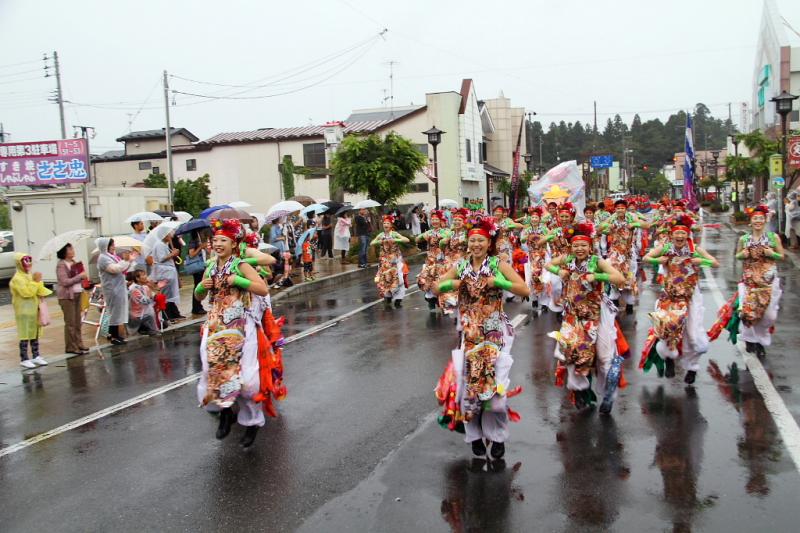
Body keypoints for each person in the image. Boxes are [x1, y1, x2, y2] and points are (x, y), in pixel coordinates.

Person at [433, 216, 530, 459]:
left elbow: (524, 289)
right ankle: (474, 435)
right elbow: (436, 287)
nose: (476, 244)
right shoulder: (461, 266)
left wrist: (498, 282)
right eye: (472, 240)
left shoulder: (498, 264)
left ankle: (497, 437)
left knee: (494, 395)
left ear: (489, 243)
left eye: (481, 240)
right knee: (469, 390)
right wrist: (453, 284)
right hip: (469, 336)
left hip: (495, 337)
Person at [194, 218, 270, 449]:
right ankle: (224, 412)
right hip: (216, 324)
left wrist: (238, 280)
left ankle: (252, 422)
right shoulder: (210, 266)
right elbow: (199, 297)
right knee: (211, 369)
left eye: (223, 240)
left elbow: (263, 288)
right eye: (215, 240)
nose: (218, 244)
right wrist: (201, 287)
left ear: (234, 243)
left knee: (246, 377)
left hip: (241, 325)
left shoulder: (241, 265)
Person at [545, 223, 627, 414]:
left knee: (605, 358)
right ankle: (580, 390)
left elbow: (620, 279)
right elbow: (548, 264)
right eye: (576, 245)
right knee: (572, 352)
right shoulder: (567, 259)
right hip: (572, 316)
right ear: (571, 247)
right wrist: (559, 271)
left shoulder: (597, 261)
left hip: (596, 315)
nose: (579, 249)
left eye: (583, 245)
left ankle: (608, 395)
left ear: (590, 246)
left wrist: (598, 276)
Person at [640, 215, 719, 384]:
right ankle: (668, 357)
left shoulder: (694, 249)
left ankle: (692, 367)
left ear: (688, 234)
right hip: (670, 297)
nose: (680, 236)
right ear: (672, 234)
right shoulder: (666, 248)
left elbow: (715, 263)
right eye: (677, 233)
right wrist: (657, 260)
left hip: (691, 298)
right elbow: (646, 258)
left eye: (683, 233)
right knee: (668, 330)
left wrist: (701, 261)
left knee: (694, 337)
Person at [709, 205, 784, 357]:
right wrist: (742, 255)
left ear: (765, 220)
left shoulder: (773, 237)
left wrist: (772, 254)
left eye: (761, 218)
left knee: (769, 316)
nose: (758, 221)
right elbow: (737, 255)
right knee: (748, 314)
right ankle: (752, 341)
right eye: (755, 218)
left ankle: (761, 338)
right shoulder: (744, 239)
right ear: (751, 221)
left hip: (768, 282)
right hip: (749, 282)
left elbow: (781, 256)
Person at [11, 253, 53, 368]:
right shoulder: (17, 278)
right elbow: (26, 293)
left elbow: (38, 289)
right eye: (25, 261)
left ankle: (36, 355)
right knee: (24, 334)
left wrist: (38, 281)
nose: (28, 264)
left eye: (30, 261)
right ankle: (24, 358)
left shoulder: (29, 275)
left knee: (35, 333)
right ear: (19, 263)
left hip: (34, 309)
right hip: (23, 311)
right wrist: (36, 282)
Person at [96, 238, 131, 345]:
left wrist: (128, 261)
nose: (114, 247)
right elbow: (115, 269)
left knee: (118, 312)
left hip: (118, 287)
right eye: (111, 245)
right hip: (112, 289)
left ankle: (115, 335)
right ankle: (113, 336)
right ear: (105, 246)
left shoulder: (112, 256)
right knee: (114, 312)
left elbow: (122, 268)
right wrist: (125, 261)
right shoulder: (103, 258)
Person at [55, 243, 89, 355]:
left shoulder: (74, 263)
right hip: (67, 297)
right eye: (70, 249)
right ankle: (71, 346)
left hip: (78, 293)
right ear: (64, 252)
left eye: (72, 248)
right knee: (71, 323)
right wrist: (79, 276)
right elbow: (64, 282)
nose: (73, 250)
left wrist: (83, 277)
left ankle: (79, 343)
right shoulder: (61, 265)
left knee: (78, 321)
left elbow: (78, 278)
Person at [416, 210, 451, 313]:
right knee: (428, 280)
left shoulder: (445, 231)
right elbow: (417, 239)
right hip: (431, 260)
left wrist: (442, 237)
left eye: (436, 219)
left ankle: (444, 303)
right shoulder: (429, 232)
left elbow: (450, 236)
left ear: (440, 221)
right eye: (433, 219)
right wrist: (423, 236)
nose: (434, 221)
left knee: (442, 280)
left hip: (443, 260)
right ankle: (431, 301)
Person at [371, 215, 410, 307]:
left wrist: (396, 239)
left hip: (396, 261)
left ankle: (398, 299)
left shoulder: (394, 234)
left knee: (399, 280)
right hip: (385, 262)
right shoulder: (381, 235)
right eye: (384, 223)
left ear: (391, 225)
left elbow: (406, 240)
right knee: (385, 279)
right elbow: (372, 243)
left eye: (388, 223)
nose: (385, 225)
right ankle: (388, 296)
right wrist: (380, 241)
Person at [150, 227, 183, 321]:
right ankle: (168, 315)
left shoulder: (164, 244)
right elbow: (161, 258)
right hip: (164, 273)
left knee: (171, 294)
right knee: (167, 295)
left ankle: (174, 313)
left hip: (168, 272)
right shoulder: (159, 245)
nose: (171, 236)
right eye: (169, 234)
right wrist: (173, 254)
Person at [128, 267, 159, 336]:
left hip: (144, 313)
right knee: (150, 315)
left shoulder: (144, 287)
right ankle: (143, 329)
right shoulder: (133, 289)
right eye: (143, 275)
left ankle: (147, 328)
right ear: (137, 278)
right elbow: (145, 301)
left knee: (164, 324)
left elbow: (154, 297)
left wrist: (156, 288)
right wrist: (151, 289)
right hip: (137, 316)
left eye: (145, 274)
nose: (146, 277)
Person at [187, 231, 208, 316]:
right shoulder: (193, 241)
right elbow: (191, 254)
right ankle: (196, 307)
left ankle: (198, 306)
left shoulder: (198, 240)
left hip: (201, 265)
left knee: (199, 285)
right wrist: (200, 247)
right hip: (197, 267)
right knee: (197, 286)